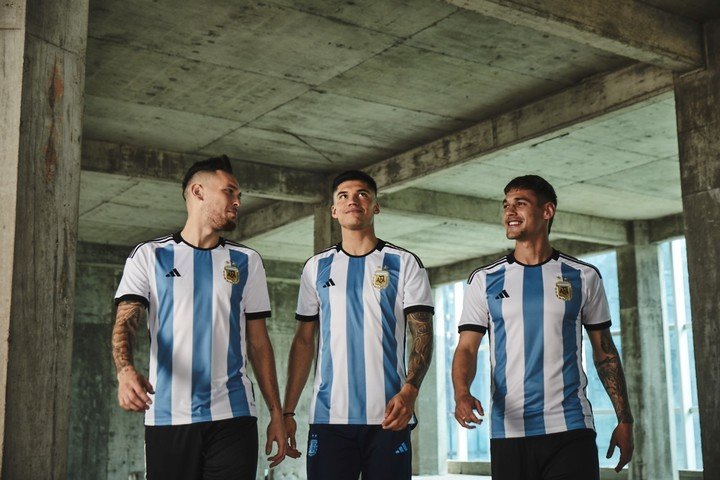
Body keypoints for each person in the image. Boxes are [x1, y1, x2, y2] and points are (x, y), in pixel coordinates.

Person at [111, 155, 286, 479]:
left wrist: (277, 412)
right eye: (230, 192)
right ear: (198, 192)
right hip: (169, 416)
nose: (238, 201)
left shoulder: (247, 261)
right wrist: (124, 371)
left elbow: (259, 343)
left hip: (234, 415)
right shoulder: (149, 255)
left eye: (239, 195)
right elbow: (126, 321)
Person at [452, 175, 634, 480]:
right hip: (509, 431)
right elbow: (467, 348)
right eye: (506, 205)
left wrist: (624, 419)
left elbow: (605, 352)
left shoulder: (583, 276)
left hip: (571, 427)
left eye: (520, 204)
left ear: (547, 211)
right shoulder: (484, 279)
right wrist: (461, 393)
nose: (509, 212)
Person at [282, 170, 434, 480]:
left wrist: (410, 391)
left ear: (376, 206)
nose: (353, 200)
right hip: (329, 418)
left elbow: (422, 333)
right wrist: (287, 411)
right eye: (344, 196)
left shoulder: (404, 262)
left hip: (389, 415)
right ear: (334, 210)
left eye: (362, 194)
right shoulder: (315, 267)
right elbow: (304, 342)